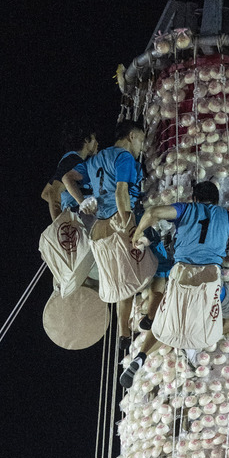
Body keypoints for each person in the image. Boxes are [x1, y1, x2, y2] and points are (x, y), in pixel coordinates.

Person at [119, 181, 229, 388]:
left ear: (195, 199)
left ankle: (141, 357)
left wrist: (136, 234)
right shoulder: (228, 217)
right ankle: (197, 344)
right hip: (210, 287)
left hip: (179, 282)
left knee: (168, 324)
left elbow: (153, 212)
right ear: (216, 201)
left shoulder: (185, 209)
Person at [62, 120, 154, 350]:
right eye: (141, 140)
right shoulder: (124, 158)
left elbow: (67, 178)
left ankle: (123, 333)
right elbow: (121, 191)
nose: (141, 147)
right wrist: (129, 225)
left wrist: (83, 201)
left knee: (122, 281)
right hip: (118, 223)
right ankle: (150, 320)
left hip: (99, 230)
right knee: (150, 270)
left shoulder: (95, 159)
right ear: (132, 136)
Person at [41, 123, 98, 221]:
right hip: (77, 220)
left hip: (75, 219)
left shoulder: (73, 161)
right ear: (86, 140)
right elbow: (53, 192)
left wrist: (65, 200)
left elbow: (45, 193)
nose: (97, 143)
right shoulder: (72, 160)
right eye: (94, 139)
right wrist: (60, 225)